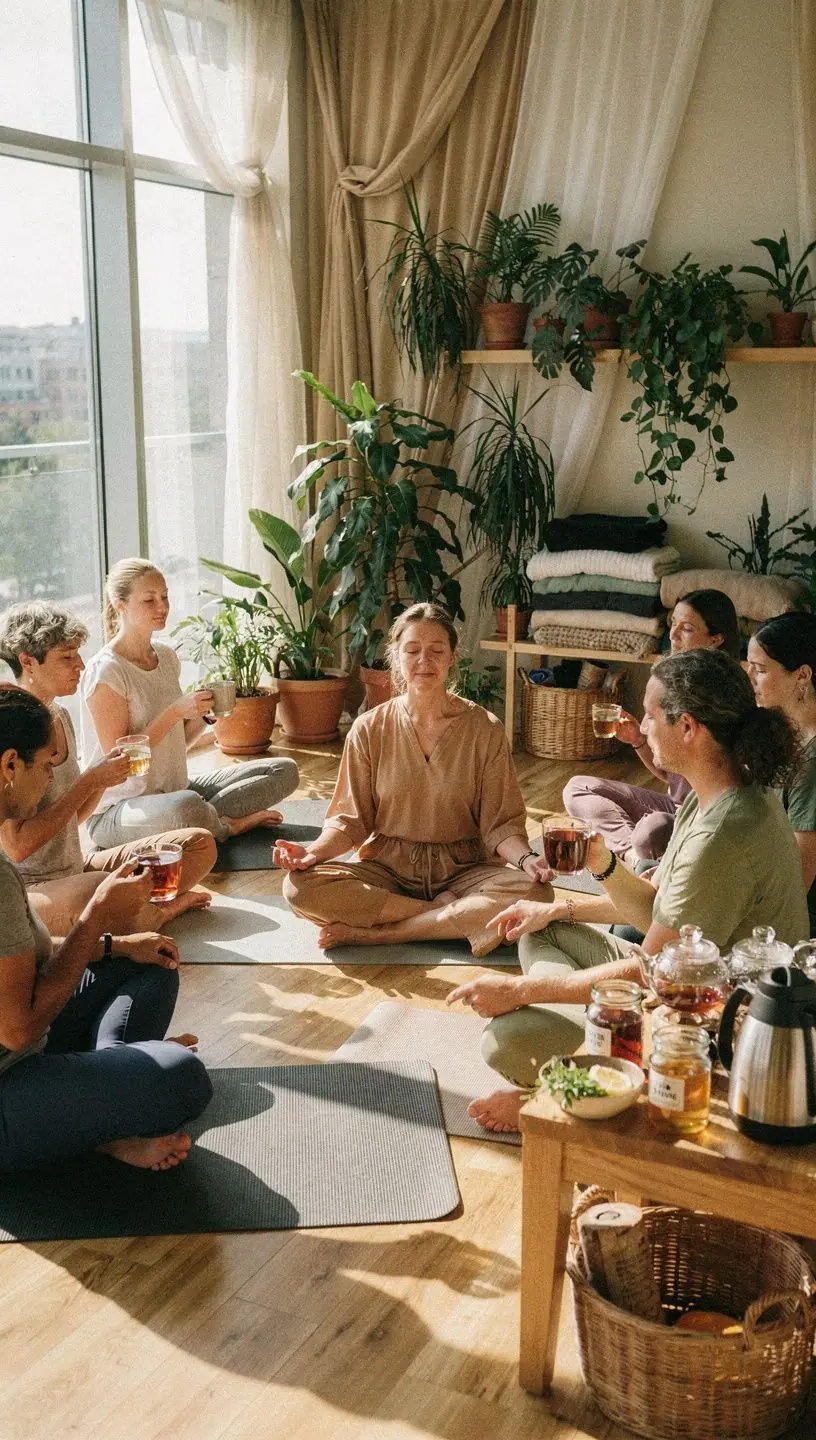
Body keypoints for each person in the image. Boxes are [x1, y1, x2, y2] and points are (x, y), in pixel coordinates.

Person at [448, 648, 809, 1132]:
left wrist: (520, 990)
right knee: (541, 929)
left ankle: (565, 1093)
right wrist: (597, 870)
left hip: (706, 1036)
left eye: (651, 714)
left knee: (506, 1038)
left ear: (689, 727)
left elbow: (654, 973)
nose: (641, 723)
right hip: (676, 988)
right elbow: (654, 912)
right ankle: (588, 1037)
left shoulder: (723, 836)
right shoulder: (717, 794)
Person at [0, 684, 212, 1172]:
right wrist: (96, 916)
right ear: (11, 765)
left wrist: (116, 943)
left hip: (31, 1044)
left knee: (152, 963)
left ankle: (106, 1082)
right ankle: (105, 1114)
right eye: (47, 767)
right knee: (182, 1075)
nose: (50, 779)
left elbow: (23, 960)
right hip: (10, 1082)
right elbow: (17, 1029)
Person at [277, 603, 553, 957]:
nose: (425, 660)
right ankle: (442, 917)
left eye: (437, 651)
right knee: (300, 888)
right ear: (396, 657)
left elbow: (500, 825)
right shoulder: (368, 729)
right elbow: (350, 822)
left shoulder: (484, 728)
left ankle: (382, 933)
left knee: (538, 894)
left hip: (464, 870)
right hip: (388, 869)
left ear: (452, 657)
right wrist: (311, 854)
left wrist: (528, 860)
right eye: (412, 650)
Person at [0, 600, 217, 937]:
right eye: (67, 657)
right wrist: (88, 780)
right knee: (100, 891)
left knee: (198, 844)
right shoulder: (11, 731)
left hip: (77, 867)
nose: (81, 665)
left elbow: (76, 817)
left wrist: (103, 780)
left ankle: (133, 909)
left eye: (78, 654)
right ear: (28, 661)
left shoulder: (60, 717)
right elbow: (17, 847)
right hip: (33, 890)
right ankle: (159, 911)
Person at [80, 558, 299, 849]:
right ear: (120, 605)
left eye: (165, 596)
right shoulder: (108, 672)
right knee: (185, 806)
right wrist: (175, 712)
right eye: (149, 599)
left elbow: (176, 742)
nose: (162, 606)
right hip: (120, 811)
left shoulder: (166, 657)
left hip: (175, 791)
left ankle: (202, 819)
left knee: (284, 771)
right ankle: (225, 827)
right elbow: (122, 763)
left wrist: (205, 716)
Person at [563, 589, 742, 865]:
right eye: (673, 625)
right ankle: (636, 858)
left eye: (687, 628)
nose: (673, 636)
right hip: (676, 806)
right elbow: (670, 773)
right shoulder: (672, 679)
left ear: (716, 639)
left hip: (708, 816)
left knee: (652, 831)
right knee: (578, 788)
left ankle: (643, 855)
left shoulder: (725, 698)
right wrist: (638, 740)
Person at [747, 612, 816, 937]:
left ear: (802, 675)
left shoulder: (812, 761)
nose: (750, 677)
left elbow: (800, 878)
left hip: (792, 921)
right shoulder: (786, 731)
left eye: (760, 670)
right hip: (763, 878)